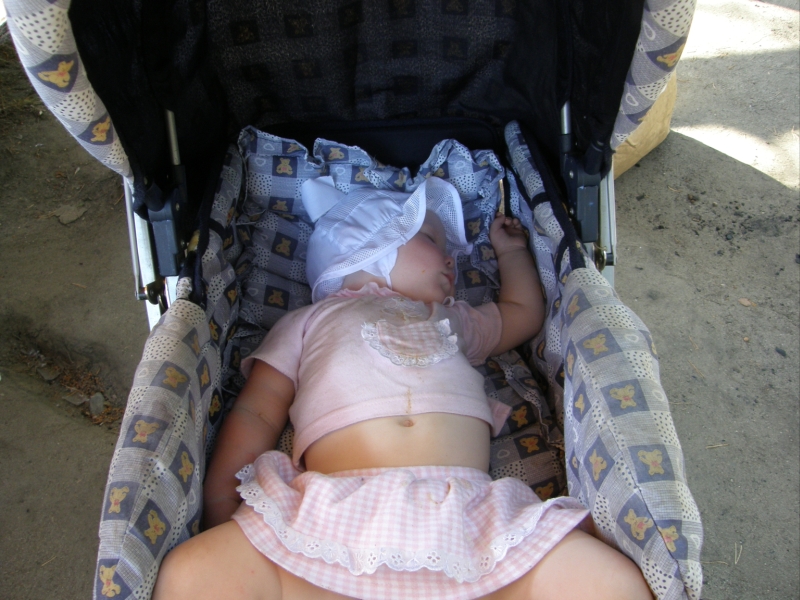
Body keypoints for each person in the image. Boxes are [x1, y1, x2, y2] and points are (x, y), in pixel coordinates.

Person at [154, 177, 652, 600]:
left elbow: (522, 315)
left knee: (611, 582)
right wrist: (223, 502)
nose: (453, 261)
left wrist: (513, 251)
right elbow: (257, 412)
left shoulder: (452, 319)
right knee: (191, 573)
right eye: (433, 239)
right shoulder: (307, 322)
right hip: (337, 514)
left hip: (468, 517)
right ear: (371, 242)